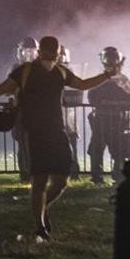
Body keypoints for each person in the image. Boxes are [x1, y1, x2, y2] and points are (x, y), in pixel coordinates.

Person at [0, 35, 118, 242]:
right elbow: (0, 90)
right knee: (38, 182)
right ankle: (40, 227)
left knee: (61, 181)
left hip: (57, 130)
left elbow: (82, 84)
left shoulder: (61, 72)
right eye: (50, 52)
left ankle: (43, 207)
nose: (52, 56)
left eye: (54, 52)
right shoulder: (25, 71)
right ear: (41, 52)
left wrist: (108, 75)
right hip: (35, 131)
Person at [86, 46, 130, 185]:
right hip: (101, 118)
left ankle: (118, 176)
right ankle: (97, 177)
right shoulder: (100, 78)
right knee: (97, 148)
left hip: (118, 118)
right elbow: (91, 97)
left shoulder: (123, 80)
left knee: (118, 149)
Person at [10, 37, 39, 182]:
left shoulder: (40, 68)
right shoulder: (16, 68)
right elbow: (8, 87)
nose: (29, 54)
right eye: (26, 51)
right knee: (22, 143)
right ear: (20, 52)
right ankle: (24, 173)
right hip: (21, 112)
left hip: (37, 112)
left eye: (32, 51)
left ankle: (36, 173)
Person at [58, 46, 82, 180]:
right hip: (56, 117)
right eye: (59, 55)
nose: (60, 58)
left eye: (62, 55)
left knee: (72, 145)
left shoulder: (69, 72)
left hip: (69, 116)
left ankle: (74, 172)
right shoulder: (51, 72)